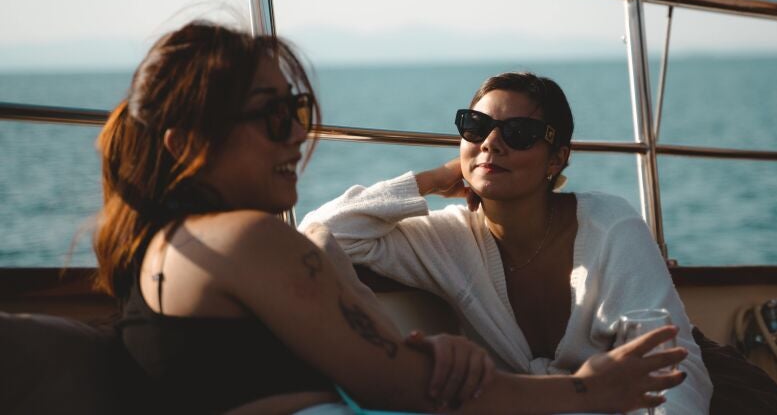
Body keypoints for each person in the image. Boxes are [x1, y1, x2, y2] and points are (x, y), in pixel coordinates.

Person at [94, 22, 688, 415]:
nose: (299, 134)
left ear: (558, 158)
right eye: (273, 118)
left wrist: (428, 355)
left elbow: (392, 374)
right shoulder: (248, 240)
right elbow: (402, 382)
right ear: (185, 144)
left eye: (297, 110)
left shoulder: (166, 247)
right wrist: (590, 389)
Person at [300, 72, 713, 414]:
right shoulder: (450, 238)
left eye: (519, 133)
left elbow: (673, 369)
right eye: (476, 127)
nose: (490, 143)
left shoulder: (610, 227)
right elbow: (322, 231)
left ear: (557, 158)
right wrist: (432, 179)